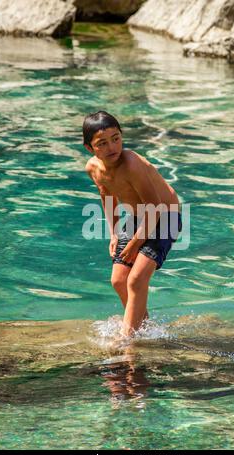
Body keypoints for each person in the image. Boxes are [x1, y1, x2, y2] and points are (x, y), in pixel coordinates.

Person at [83, 110, 182, 337]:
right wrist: (114, 233)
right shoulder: (93, 168)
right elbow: (106, 195)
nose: (112, 147)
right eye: (103, 143)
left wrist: (136, 243)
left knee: (136, 279)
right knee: (119, 280)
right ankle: (143, 327)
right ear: (90, 148)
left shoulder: (132, 164)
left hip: (165, 216)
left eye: (116, 138)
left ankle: (127, 340)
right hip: (139, 218)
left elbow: (155, 207)